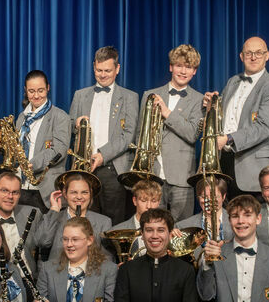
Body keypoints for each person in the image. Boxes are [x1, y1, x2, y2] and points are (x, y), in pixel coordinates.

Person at [205, 36, 269, 199]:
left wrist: (229, 138)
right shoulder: (232, 82)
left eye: (258, 53)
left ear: (267, 56)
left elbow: (265, 127)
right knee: (226, 212)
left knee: (251, 213)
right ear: (241, 56)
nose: (253, 57)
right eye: (249, 53)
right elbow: (223, 119)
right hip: (224, 162)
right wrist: (210, 106)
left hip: (252, 168)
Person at [68, 46, 139, 224]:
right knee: (83, 220)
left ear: (117, 69)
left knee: (113, 221)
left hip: (113, 168)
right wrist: (76, 124)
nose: (103, 75)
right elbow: (69, 127)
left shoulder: (130, 97)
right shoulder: (80, 95)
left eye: (107, 70)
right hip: (84, 168)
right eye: (99, 70)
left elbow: (129, 135)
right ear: (94, 67)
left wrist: (102, 155)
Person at [141, 44, 205, 220]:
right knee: (152, 226)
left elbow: (192, 134)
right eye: (179, 65)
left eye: (188, 67)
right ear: (171, 67)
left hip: (182, 178)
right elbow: (141, 135)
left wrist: (167, 113)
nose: (183, 71)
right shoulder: (150, 95)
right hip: (152, 175)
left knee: (181, 229)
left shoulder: (199, 100)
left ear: (194, 71)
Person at [12, 70, 71, 212]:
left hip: (45, 189)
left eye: (41, 90)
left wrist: (31, 164)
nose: (36, 96)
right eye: (31, 91)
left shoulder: (60, 116)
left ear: (48, 88)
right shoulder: (21, 117)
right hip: (20, 186)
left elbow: (59, 150)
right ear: (25, 90)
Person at [35, 174, 112, 264]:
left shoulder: (103, 222)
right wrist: (54, 209)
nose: (79, 197)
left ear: (90, 195)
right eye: (74, 192)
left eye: (84, 192)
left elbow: (107, 258)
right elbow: (42, 242)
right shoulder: (54, 217)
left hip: (90, 271)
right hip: (58, 271)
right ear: (65, 194)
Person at [104, 179, 162, 262]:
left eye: (153, 201)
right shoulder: (116, 232)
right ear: (135, 201)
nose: (149, 206)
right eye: (144, 200)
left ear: (159, 202)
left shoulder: (168, 231)